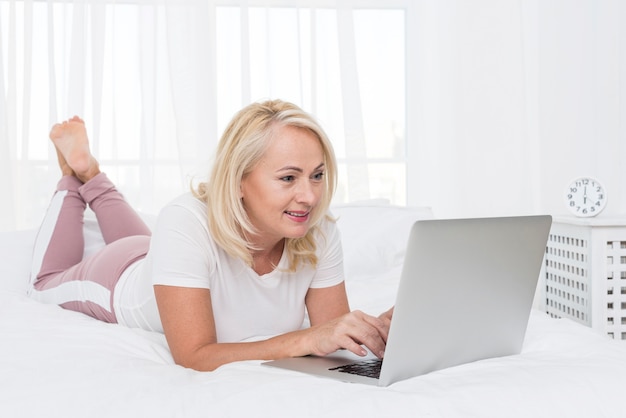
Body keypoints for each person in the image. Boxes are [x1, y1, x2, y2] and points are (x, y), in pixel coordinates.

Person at [30, 99, 393, 371]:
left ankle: (92, 173)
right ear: (238, 181)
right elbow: (194, 355)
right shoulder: (185, 221)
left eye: (317, 174)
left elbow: (330, 333)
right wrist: (306, 339)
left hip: (162, 257)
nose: (310, 196)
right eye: (288, 178)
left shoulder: (319, 229)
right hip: (117, 278)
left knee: (150, 243)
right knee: (43, 285)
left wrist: (375, 332)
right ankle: (73, 174)